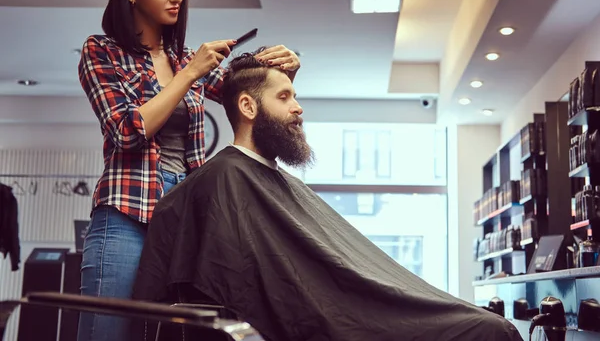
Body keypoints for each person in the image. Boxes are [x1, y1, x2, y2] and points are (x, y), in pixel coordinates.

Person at [133, 48, 524, 341]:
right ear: (248, 106)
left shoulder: (273, 182)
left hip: (351, 318)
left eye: (295, 96)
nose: (298, 107)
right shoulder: (223, 180)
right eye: (284, 97)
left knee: (487, 328)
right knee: (488, 332)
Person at [76, 0, 301, 340]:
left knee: (177, 333)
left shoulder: (183, 58)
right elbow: (127, 132)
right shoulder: (102, 51)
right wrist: (189, 73)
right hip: (126, 212)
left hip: (184, 214)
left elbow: (248, 100)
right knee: (107, 333)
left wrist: (282, 72)